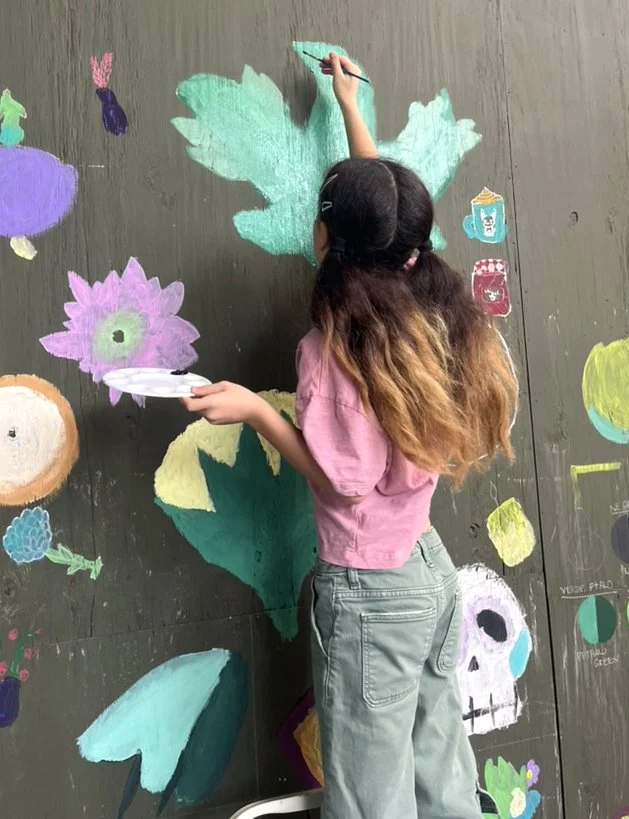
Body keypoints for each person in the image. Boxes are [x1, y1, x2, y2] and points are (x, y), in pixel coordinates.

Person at [183, 52, 517, 819]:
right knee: (443, 778)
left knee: (372, 801)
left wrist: (261, 413)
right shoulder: (428, 296)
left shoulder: (336, 346)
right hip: (428, 572)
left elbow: (345, 479)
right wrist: (351, 106)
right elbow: (385, 217)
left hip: (371, 594)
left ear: (323, 236)